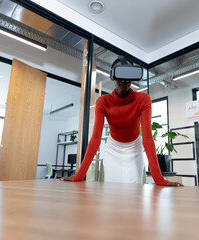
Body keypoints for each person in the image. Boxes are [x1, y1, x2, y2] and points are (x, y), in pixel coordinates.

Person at [60, 56, 183, 187]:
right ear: (112, 76)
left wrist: (159, 180)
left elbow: (147, 138)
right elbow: (95, 139)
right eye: (120, 74)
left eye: (128, 74)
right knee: (112, 190)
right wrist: (79, 176)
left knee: (134, 190)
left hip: (135, 147)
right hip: (113, 148)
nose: (124, 80)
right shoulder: (102, 102)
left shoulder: (143, 99)